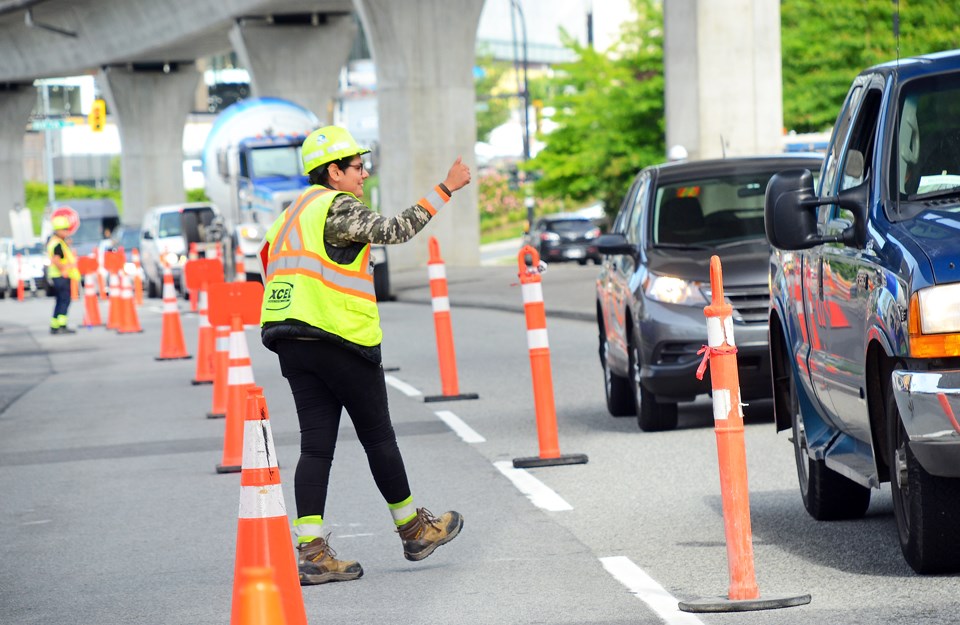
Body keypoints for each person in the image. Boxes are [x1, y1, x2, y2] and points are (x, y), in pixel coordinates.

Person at [259, 126, 472, 585]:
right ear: (333, 171)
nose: (363, 174)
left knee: (316, 446)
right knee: (378, 437)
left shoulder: (288, 216)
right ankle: (415, 531)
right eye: (357, 166)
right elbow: (394, 230)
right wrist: (446, 188)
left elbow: (268, 264)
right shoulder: (336, 206)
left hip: (290, 338)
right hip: (338, 337)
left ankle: (312, 552)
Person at [47, 215, 80, 334]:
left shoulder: (57, 242)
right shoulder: (57, 244)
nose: (67, 232)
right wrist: (63, 270)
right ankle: (61, 325)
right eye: (65, 229)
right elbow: (56, 259)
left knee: (60, 300)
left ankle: (54, 325)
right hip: (61, 276)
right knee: (64, 300)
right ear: (58, 230)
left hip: (58, 276)